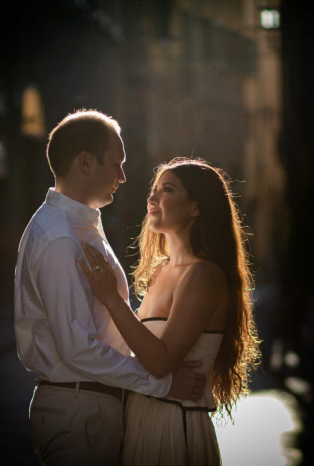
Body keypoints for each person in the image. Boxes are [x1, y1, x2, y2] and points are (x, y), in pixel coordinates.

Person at [14, 110, 206, 466]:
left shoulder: (77, 226)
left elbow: (102, 324)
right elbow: (77, 348)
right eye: (116, 164)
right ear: (85, 163)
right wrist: (162, 385)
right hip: (80, 412)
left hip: (90, 408)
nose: (122, 176)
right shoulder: (61, 237)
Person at [79, 157, 261, 465]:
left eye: (168, 189)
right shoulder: (159, 274)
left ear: (195, 207)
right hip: (140, 423)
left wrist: (111, 298)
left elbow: (160, 361)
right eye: (154, 189)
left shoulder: (203, 275)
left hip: (174, 427)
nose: (152, 198)